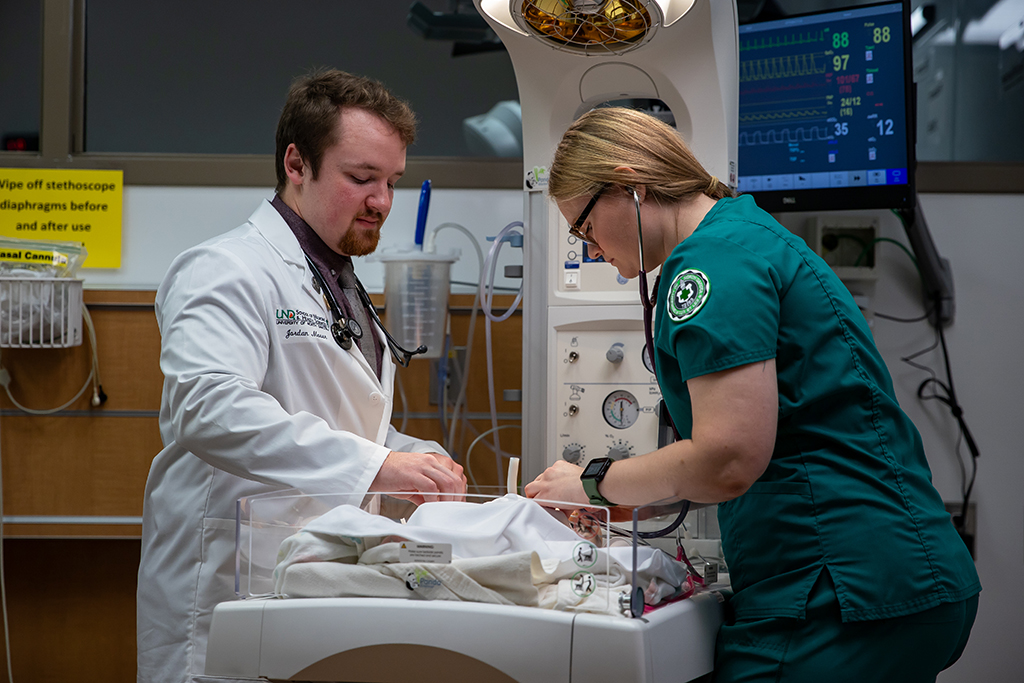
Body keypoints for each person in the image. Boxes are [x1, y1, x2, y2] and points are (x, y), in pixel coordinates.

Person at [524, 107, 980, 682]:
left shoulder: (713, 264)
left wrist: (591, 480)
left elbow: (729, 457)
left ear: (628, 185)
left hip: (841, 586)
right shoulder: (748, 236)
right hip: (890, 568)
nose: (591, 251)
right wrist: (619, 501)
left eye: (585, 229)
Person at [137, 69, 467, 683]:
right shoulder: (225, 269)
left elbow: (330, 415)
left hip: (314, 576)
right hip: (226, 584)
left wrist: (413, 455)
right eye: (362, 178)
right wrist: (377, 466)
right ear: (297, 162)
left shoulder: (337, 278)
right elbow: (210, 409)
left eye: (391, 181)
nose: (383, 202)